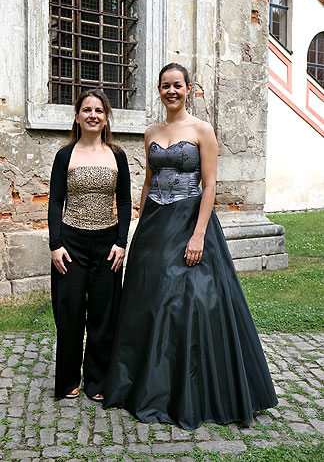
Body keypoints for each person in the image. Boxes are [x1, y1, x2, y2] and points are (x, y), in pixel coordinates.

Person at [102, 63, 278, 429]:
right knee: (147, 296)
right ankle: (145, 382)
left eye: (177, 86)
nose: (171, 91)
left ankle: (188, 387)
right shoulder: (151, 131)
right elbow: (149, 182)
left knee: (189, 297)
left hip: (189, 221)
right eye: (165, 86)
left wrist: (198, 235)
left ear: (189, 89)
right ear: (159, 90)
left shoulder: (202, 130)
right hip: (154, 223)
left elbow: (209, 185)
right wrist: (140, 222)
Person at [48, 89, 131, 401]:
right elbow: (55, 202)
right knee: (68, 313)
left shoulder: (118, 155)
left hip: (107, 244)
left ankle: (96, 381)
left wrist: (121, 243)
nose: (93, 115)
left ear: (106, 117)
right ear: (77, 115)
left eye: (99, 110)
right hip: (71, 243)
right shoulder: (64, 155)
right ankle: (68, 380)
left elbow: (124, 202)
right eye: (87, 110)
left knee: (103, 315)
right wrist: (55, 244)